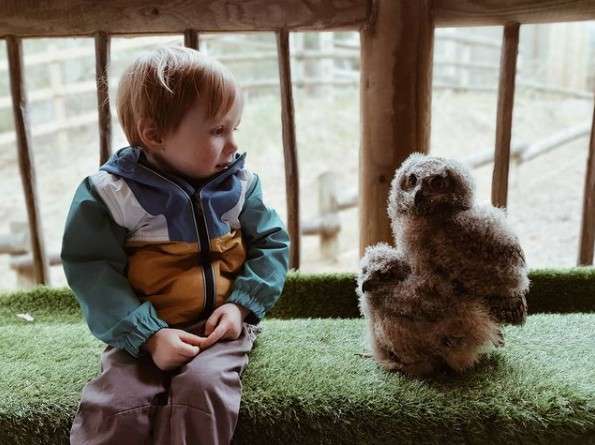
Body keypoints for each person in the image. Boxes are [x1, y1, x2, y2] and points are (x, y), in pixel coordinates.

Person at [61, 46, 290, 444]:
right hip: (139, 332)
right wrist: (147, 336)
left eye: (235, 129)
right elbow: (92, 270)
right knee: (117, 406)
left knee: (201, 391)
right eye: (218, 131)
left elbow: (271, 243)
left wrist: (241, 306)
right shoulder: (110, 196)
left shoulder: (240, 188)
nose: (233, 145)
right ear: (154, 135)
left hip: (219, 328)